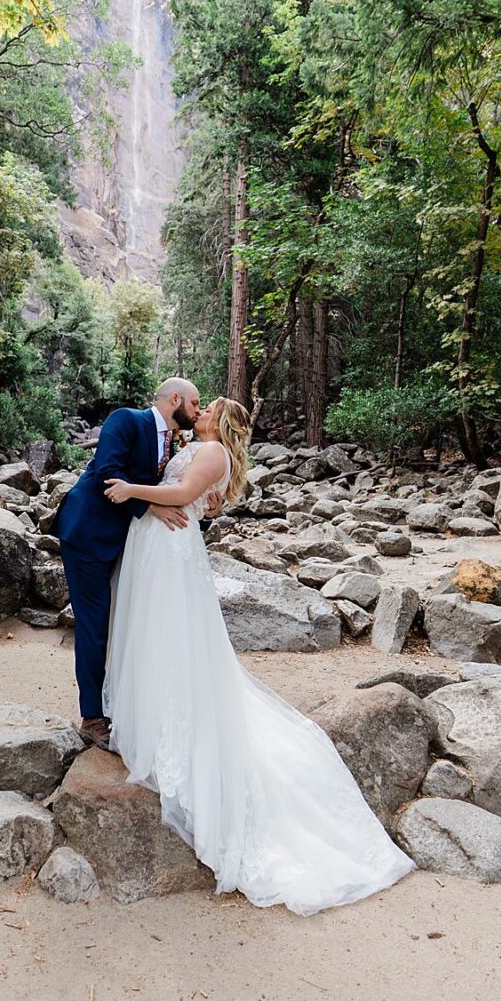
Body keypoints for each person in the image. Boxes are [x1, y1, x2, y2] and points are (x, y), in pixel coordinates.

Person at [99, 396, 416, 914]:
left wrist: (132, 491)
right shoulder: (200, 446)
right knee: (155, 634)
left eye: (207, 409)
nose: (198, 412)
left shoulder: (214, 453)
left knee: (172, 635)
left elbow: (182, 493)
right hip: (159, 544)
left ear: (221, 423)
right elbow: (188, 495)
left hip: (170, 552)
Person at [55, 377, 210, 750]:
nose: (197, 410)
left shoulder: (173, 441)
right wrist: (152, 506)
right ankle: (92, 716)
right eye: (194, 403)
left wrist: (206, 504)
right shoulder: (126, 420)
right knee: (95, 627)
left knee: (129, 624)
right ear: (175, 399)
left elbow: (177, 488)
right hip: (88, 536)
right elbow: (109, 473)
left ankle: (120, 704)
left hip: (129, 545)